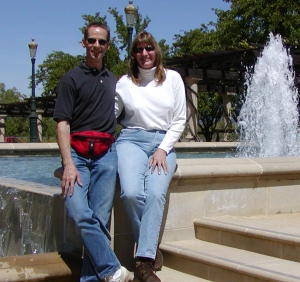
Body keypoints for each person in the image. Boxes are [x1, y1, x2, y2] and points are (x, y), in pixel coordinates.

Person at [53, 22, 133, 282]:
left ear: (108, 46)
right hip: (77, 155)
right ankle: (112, 269)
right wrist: (68, 164)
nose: (96, 46)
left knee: (99, 221)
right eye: (91, 41)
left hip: (106, 156)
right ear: (83, 43)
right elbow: (62, 123)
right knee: (79, 212)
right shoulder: (70, 79)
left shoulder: (114, 81)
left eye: (101, 42)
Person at [115, 31, 186, 282]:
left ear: (156, 50)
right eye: (139, 49)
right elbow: (107, 115)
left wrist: (162, 149)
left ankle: (143, 263)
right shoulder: (124, 83)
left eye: (149, 48)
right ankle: (149, 251)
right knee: (132, 193)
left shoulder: (173, 79)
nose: (144, 54)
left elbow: (179, 120)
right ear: (133, 54)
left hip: (163, 142)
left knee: (156, 192)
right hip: (130, 140)